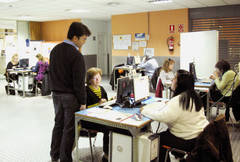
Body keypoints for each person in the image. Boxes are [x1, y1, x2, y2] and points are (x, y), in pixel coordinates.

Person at [141, 70, 209, 162]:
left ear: (180, 83)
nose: (172, 80)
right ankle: (178, 154)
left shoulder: (179, 100)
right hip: (200, 136)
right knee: (166, 132)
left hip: (187, 139)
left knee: (157, 139)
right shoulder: (194, 96)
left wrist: (144, 111)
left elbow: (162, 117)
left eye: (174, 78)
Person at [49, 22, 91, 162]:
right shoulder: (76, 55)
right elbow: (79, 82)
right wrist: (83, 101)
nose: (84, 42)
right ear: (75, 38)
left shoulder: (54, 50)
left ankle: (54, 155)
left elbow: (52, 74)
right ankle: (65, 159)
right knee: (69, 129)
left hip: (56, 95)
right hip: (70, 97)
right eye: (83, 39)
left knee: (58, 125)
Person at [84, 67, 109, 162]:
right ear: (89, 80)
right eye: (95, 78)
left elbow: (106, 102)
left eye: (99, 77)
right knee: (108, 128)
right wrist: (98, 104)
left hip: (101, 117)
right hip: (90, 120)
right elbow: (85, 108)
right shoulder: (86, 90)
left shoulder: (101, 89)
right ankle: (107, 154)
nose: (98, 79)